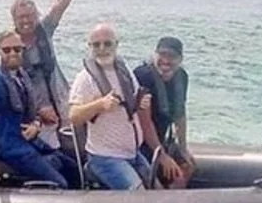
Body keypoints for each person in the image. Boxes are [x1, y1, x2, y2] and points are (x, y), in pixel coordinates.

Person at [68, 23, 163, 191]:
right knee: (140, 195)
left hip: (132, 153)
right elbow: (73, 116)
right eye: (96, 45)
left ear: (116, 45)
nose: (102, 49)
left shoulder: (124, 71)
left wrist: (142, 103)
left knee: (158, 190)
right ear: (89, 47)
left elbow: (134, 102)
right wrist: (100, 104)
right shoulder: (85, 79)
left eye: (107, 43)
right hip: (106, 157)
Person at [0, 31, 80, 188]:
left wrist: (36, 124)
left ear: (23, 50)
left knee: (73, 169)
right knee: (59, 183)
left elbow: (33, 112)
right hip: (12, 148)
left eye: (17, 49)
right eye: (6, 50)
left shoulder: (23, 77)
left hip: (33, 142)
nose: (12, 53)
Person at [11, 0, 86, 151]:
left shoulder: (45, 30)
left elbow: (62, 3)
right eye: (21, 17)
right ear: (14, 20)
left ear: (36, 15)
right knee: (51, 153)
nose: (26, 21)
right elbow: (13, 86)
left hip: (62, 100)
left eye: (30, 15)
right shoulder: (11, 48)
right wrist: (38, 110)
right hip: (38, 113)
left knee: (75, 148)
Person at [133, 36, 195, 188]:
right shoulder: (143, 76)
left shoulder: (182, 77)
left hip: (162, 139)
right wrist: (162, 156)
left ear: (180, 59)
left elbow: (180, 114)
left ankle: (172, 196)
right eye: (162, 55)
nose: (166, 61)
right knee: (170, 177)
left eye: (172, 56)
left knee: (188, 167)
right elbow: (145, 123)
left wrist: (183, 148)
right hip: (140, 144)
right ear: (155, 55)